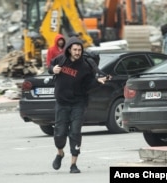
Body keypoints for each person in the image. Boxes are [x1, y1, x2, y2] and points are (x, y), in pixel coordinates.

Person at [48, 36, 109, 173]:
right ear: (69, 49)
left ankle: (73, 164)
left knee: (75, 132)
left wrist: (97, 82)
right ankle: (60, 153)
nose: (77, 52)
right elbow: (50, 67)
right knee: (59, 133)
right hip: (62, 103)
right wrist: (53, 69)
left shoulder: (86, 66)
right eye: (75, 49)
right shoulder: (60, 60)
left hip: (78, 103)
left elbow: (87, 86)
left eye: (79, 50)